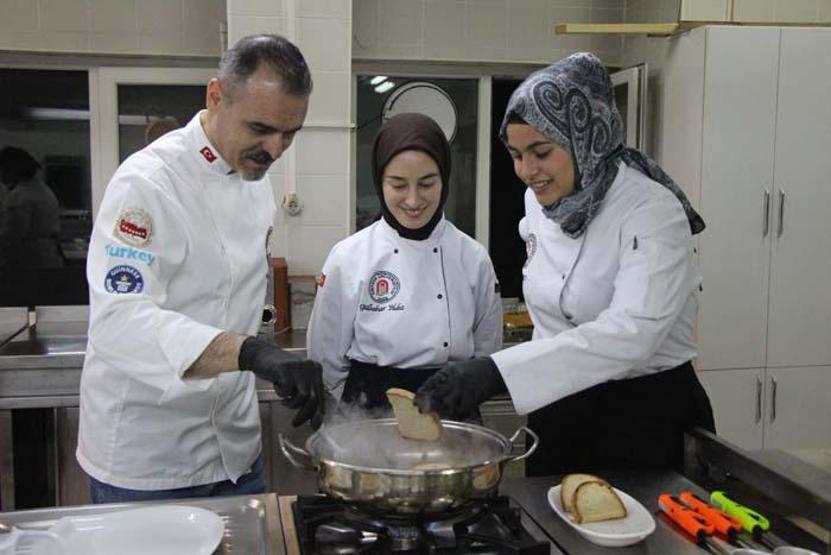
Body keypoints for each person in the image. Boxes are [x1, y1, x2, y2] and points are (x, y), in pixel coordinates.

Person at [414, 53, 715, 475]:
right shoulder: (540, 204)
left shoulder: (651, 210)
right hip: (560, 408)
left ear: (586, 137)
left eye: (541, 152)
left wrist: (496, 371)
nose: (526, 171)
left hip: (644, 412)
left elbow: (633, 333)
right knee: (551, 528)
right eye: (517, 154)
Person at [77, 34, 325, 504]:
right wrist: (249, 353)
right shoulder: (147, 185)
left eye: (290, 133)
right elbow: (118, 323)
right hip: (149, 459)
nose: (275, 149)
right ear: (215, 97)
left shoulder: (254, 182)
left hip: (235, 452)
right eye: (260, 128)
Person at [307, 113, 502, 411]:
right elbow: (325, 356)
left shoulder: (472, 258)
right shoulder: (348, 257)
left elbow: (487, 351)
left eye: (426, 184)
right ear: (379, 182)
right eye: (398, 185)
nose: (413, 200)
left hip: (450, 408)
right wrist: (354, 415)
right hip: (369, 409)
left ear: (444, 180)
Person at [0, 146, 63, 270]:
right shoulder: (42, 189)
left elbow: (12, 235)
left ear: (10, 169)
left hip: (29, 260)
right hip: (48, 256)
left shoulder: (20, 196)